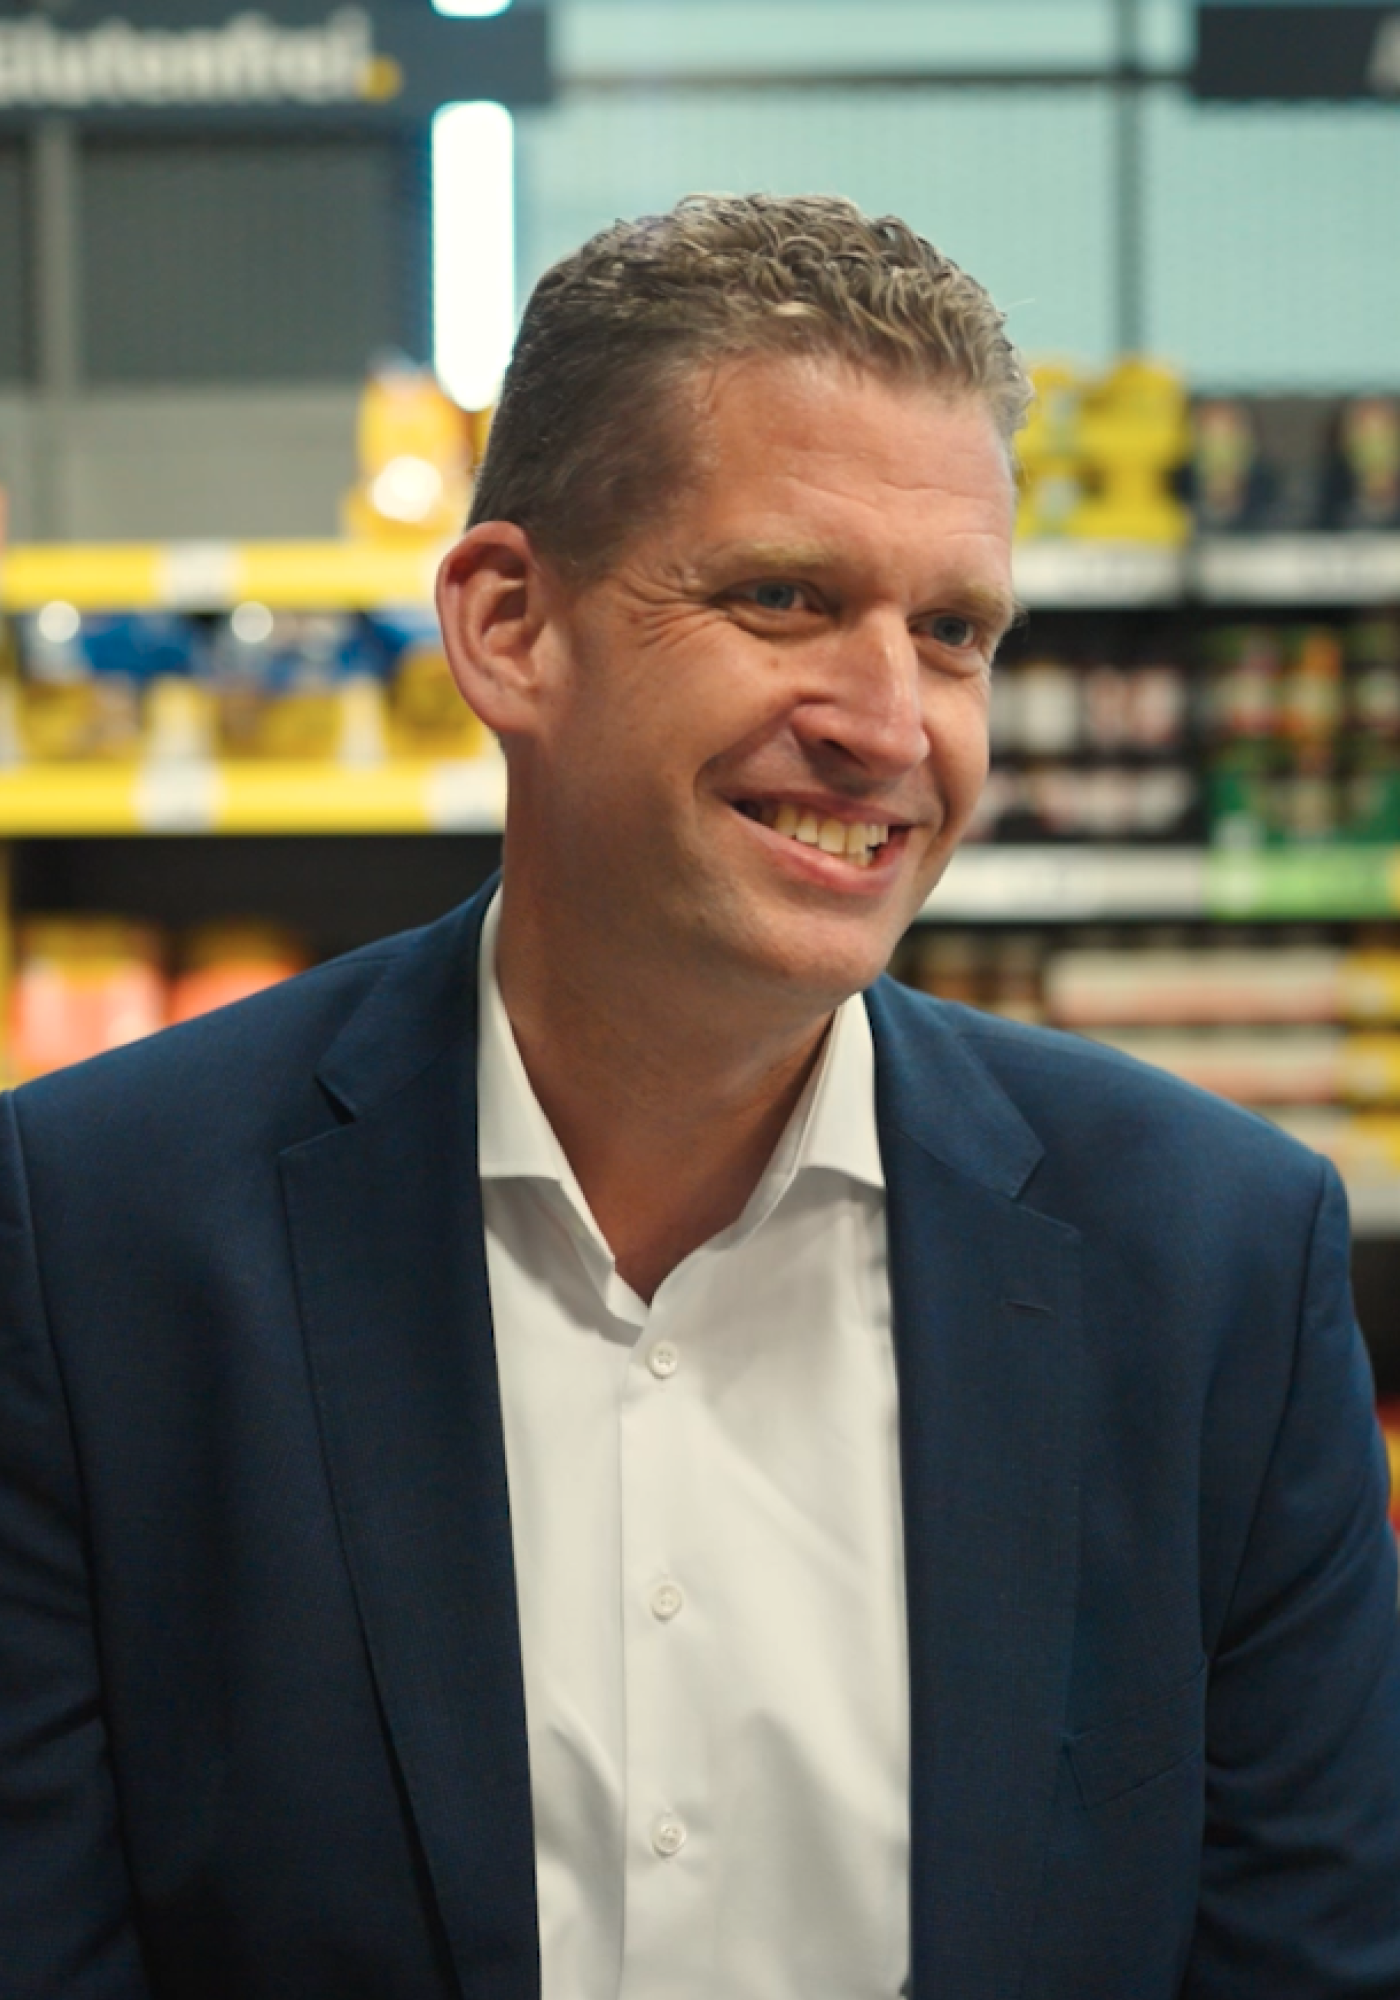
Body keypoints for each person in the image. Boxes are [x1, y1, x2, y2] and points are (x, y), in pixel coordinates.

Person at [1, 193, 1397, 2000]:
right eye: (784, 598)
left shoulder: (1213, 1266)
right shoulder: (93, 1238)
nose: (891, 723)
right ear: (510, 626)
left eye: (957, 630)